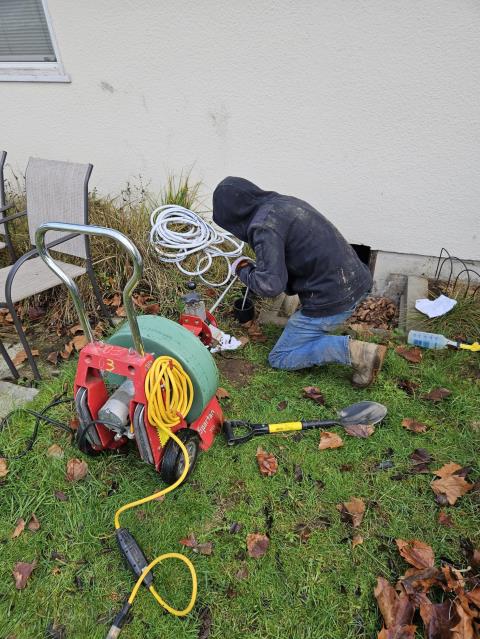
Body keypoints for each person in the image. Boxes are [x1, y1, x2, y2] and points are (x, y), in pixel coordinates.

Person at [212, 176, 387, 387]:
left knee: (280, 357)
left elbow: (270, 285)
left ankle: (358, 353)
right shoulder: (281, 204)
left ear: (233, 218)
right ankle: (319, 332)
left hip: (334, 296)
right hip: (353, 278)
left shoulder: (264, 227)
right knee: (299, 332)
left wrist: (242, 269)